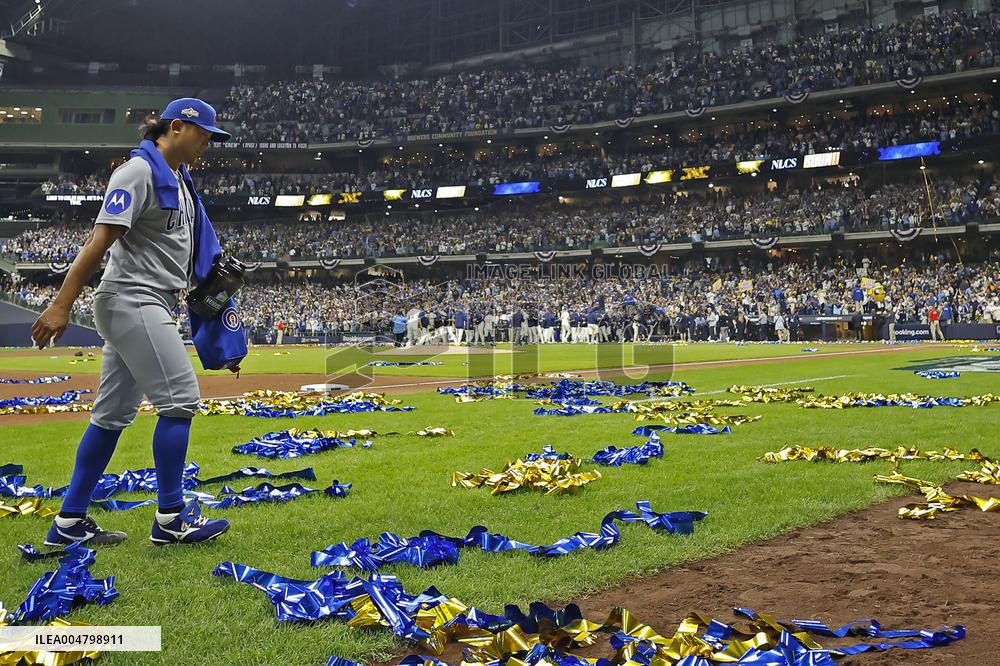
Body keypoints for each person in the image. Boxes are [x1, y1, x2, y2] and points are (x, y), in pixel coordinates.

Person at [30, 98, 233, 547]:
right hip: (132, 298)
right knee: (180, 401)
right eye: (204, 134)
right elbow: (98, 242)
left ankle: (68, 523)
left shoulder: (180, 179)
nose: (207, 144)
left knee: (110, 417)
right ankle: (171, 517)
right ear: (176, 127)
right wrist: (62, 304)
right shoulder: (137, 172)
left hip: (149, 299)